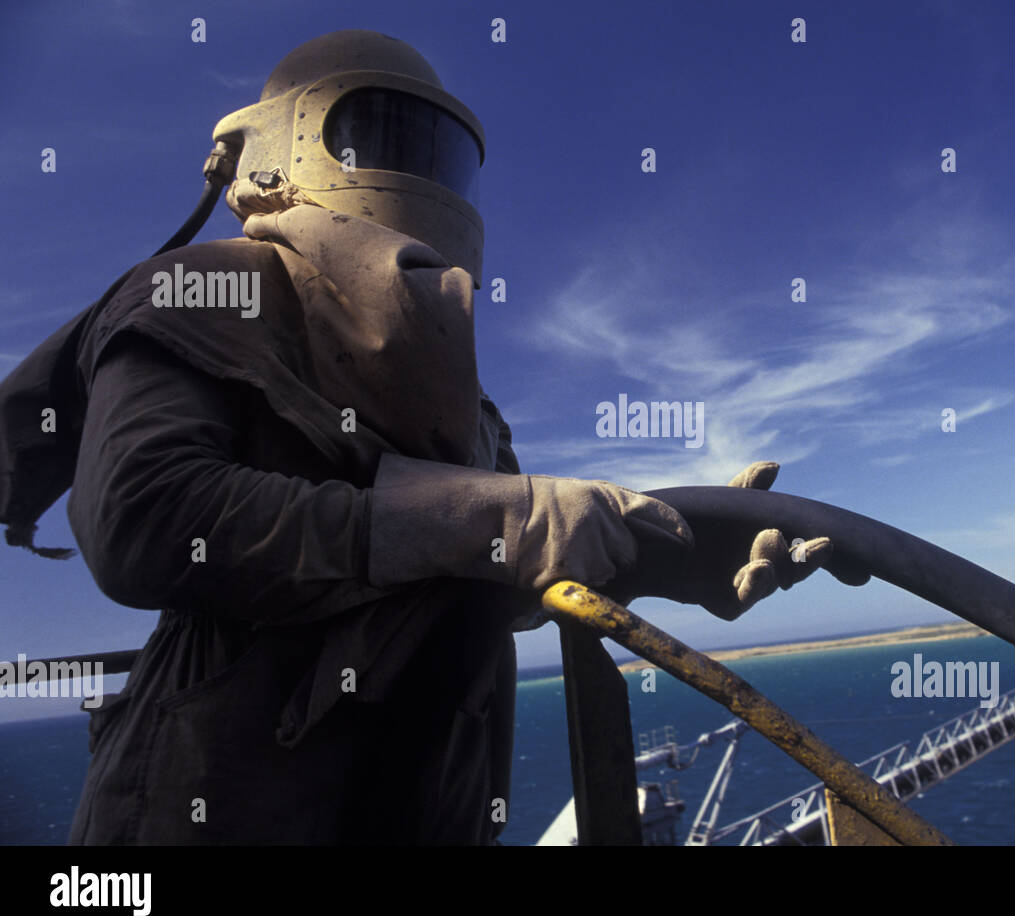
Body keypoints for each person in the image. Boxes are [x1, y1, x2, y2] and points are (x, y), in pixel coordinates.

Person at [0, 30, 846, 844]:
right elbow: (143, 517)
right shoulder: (203, 287)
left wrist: (670, 558)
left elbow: (491, 573)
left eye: (433, 147)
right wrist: (491, 518)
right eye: (370, 135)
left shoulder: (468, 404)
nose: (407, 169)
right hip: (219, 799)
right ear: (273, 147)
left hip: (430, 799)